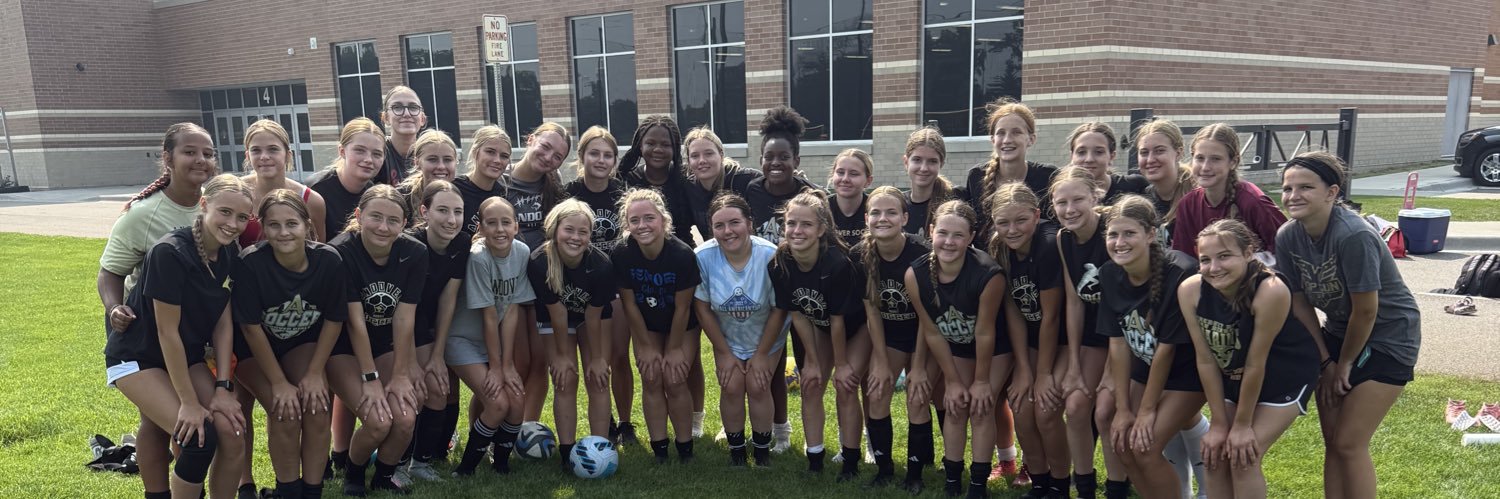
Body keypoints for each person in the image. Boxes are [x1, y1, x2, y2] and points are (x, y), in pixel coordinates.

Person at [1275, 151, 1420, 499]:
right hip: (1340, 335)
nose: (1294, 195)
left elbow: (1367, 311)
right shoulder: (1287, 236)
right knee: (1333, 442)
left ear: (1332, 192)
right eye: (1287, 188)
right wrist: (1325, 361)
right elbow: (1298, 302)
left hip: (1389, 336)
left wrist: (1344, 365)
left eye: (1305, 187)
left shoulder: (1353, 235)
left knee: (1349, 442)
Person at [104, 173, 250, 499]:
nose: (233, 223)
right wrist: (189, 403)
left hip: (188, 356)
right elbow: (166, 332)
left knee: (232, 432)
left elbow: (223, 324)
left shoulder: (229, 253)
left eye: (242, 217)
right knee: (198, 439)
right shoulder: (169, 252)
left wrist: (224, 388)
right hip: (137, 357)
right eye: (225, 212)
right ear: (204, 205)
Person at [98, 122, 219, 499]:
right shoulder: (142, 214)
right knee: (183, 427)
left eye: (208, 153)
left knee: (158, 422)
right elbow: (109, 272)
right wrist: (114, 306)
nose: (200, 159)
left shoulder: (216, 208)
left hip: (187, 339)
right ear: (167, 158)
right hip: (141, 337)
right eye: (189, 152)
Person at [1180, 219, 1319, 498]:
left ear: (1248, 253)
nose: (1214, 267)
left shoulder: (1270, 290)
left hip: (1284, 376)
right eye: (1205, 259)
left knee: (1244, 458)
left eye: (1224, 256)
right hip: (1235, 375)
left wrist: (1241, 425)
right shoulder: (1190, 290)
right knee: (1216, 453)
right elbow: (1206, 360)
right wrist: (1219, 423)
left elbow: (1258, 362)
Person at [906, 200, 1027, 498]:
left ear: (971, 237)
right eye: (943, 233)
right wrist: (952, 380)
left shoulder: (988, 274)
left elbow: (985, 331)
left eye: (958, 235)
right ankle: (952, 480)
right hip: (955, 345)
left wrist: (982, 381)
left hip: (994, 349)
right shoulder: (915, 274)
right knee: (956, 406)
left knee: (981, 407)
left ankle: (977, 484)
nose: (949, 241)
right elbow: (932, 330)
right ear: (931, 231)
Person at [232, 189, 345, 499]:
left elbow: (334, 321)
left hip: (301, 343)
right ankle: (288, 491)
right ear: (263, 228)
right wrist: (279, 382)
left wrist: (313, 373)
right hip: (253, 350)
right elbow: (251, 329)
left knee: (317, 403)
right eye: (274, 225)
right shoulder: (251, 263)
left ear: (307, 225)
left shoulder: (328, 260)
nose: (283, 233)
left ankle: (312, 491)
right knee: (285, 409)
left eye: (291, 223)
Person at [1096, 195, 1205, 499]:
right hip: (1144, 370)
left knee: (1144, 447)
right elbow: (1117, 345)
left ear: (1150, 234)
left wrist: (1144, 412)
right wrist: (1121, 409)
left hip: (1188, 375)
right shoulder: (1108, 273)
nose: (1119, 242)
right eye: (1113, 234)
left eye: (1129, 233)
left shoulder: (1180, 272)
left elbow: (1167, 349)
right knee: (1123, 444)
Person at [326, 185, 428, 496]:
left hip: (383, 343)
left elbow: (404, 316)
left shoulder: (414, 252)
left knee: (405, 418)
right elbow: (354, 321)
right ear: (359, 216)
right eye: (375, 217)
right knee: (378, 421)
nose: (383, 227)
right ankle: (354, 475)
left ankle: (383, 476)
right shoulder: (339, 252)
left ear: (404, 224)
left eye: (393, 220)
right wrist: (371, 379)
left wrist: (400, 374)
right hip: (340, 347)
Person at [768, 191, 869, 475]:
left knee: (845, 386)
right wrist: (811, 361)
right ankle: (815, 458)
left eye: (806, 225)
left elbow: (840, 320)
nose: (797, 231)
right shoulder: (782, 262)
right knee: (810, 384)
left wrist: (843, 365)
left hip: (857, 328)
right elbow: (798, 313)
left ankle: (850, 459)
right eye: (791, 223)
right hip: (822, 327)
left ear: (822, 229)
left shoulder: (837, 263)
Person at [988, 182, 1072, 498]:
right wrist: (1024, 369)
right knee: (1021, 407)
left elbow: (1051, 317)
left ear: (1036, 216)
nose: (1012, 229)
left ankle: (1061, 486)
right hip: (1033, 340)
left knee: (1047, 411)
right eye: (1003, 222)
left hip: (1064, 339)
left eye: (1020, 220)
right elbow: (1014, 311)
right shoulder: (999, 247)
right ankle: (1040, 483)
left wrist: (1044, 374)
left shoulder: (1048, 246)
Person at [1050, 166, 1130, 498]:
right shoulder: (1063, 238)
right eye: (1061, 202)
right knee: (1076, 407)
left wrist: (1112, 372)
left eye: (1078, 200)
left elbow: (1125, 308)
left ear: (1096, 195)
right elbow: (1074, 302)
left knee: (1105, 411)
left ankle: (1117, 487)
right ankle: (1083, 487)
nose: (1070, 210)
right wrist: (1072, 365)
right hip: (1092, 338)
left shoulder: (1114, 233)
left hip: (1126, 337)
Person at [694, 193, 787, 468]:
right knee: (732, 385)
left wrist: (761, 355)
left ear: (749, 223)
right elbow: (701, 307)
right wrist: (722, 352)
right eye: (719, 225)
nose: (727, 231)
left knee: (758, 385)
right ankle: (736, 453)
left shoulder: (770, 255)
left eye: (734, 222)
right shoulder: (703, 257)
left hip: (765, 334)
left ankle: (761, 453)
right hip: (728, 336)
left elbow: (778, 310)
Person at [851, 186, 933, 490]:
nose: (882, 218)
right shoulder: (860, 255)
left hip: (925, 337)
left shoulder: (922, 255)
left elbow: (927, 318)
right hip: (891, 336)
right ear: (867, 218)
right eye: (875, 212)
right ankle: (885, 470)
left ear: (905, 218)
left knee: (917, 396)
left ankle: (915, 475)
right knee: (877, 391)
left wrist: (920, 366)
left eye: (891, 212)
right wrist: (883, 363)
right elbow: (872, 312)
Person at [612, 189, 703, 462]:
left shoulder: (682, 254)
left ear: (664, 220)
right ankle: (660, 448)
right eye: (635, 220)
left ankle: (685, 447)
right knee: (651, 377)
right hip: (648, 322)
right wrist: (644, 345)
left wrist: (674, 348)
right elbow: (629, 304)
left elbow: (683, 307)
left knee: (674, 378)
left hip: (682, 324)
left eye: (649, 218)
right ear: (627, 224)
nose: (642, 226)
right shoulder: (623, 253)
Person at [746, 106, 817, 452]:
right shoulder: (750, 192)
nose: (776, 163)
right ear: (760, 159)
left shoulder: (812, 196)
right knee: (772, 366)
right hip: (764, 295)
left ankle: (812, 437)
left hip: (803, 295)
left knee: (807, 364)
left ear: (796, 159)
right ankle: (781, 432)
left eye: (783, 157)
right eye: (769, 156)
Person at [563, 126, 639, 445]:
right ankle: (603, 421)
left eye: (608, 155)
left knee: (619, 356)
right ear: (581, 157)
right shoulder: (569, 193)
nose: (601, 160)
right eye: (594, 153)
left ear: (614, 160)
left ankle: (624, 423)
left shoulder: (624, 192)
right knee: (594, 359)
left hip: (617, 284)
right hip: (580, 286)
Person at [447, 196, 533, 477]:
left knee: (517, 400)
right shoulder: (478, 257)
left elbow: (510, 312)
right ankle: (467, 468)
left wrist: (507, 366)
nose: (500, 229)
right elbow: (487, 315)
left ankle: (501, 463)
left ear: (516, 226)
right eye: (491, 223)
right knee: (497, 403)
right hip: (461, 340)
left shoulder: (521, 252)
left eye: (506, 222)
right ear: (481, 229)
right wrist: (496, 368)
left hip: (490, 342)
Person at [527, 199, 616, 470]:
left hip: (593, 319)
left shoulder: (601, 264)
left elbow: (592, 315)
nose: (575, 237)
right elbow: (558, 314)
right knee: (564, 379)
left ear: (591, 235)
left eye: (583, 232)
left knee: (598, 378)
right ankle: (567, 452)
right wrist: (564, 356)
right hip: (556, 319)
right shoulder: (539, 260)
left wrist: (599, 359)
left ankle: (599, 449)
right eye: (569, 230)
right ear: (555, 229)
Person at [399, 180, 468, 481]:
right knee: (415, 390)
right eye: (442, 210)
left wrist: (437, 355)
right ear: (424, 211)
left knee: (439, 387)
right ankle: (396, 463)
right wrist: (411, 362)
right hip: (399, 324)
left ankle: (421, 462)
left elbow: (448, 298)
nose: (451, 220)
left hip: (430, 324)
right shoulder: (409, 245)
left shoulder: (462, 243)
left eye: (458, 211)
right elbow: (404, 310)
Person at [505, 122, 571, 421]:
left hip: (543, 285)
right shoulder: (500, 182)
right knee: (515, 363)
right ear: (530, 139)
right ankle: (498, 426)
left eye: (557, 156)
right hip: (508, 288)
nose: (548, 157)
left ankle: (526, 428)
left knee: (540, 363)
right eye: (545, 147)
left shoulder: (554, 191)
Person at [1171, 124, 1286, 257]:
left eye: (1216, 159)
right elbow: (1183, 258)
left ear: (1233, 162)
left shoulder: (1252, 201)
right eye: (1200, 158)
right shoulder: (1188, 204)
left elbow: (1286, 248)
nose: (1205, 167)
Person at [966, 98, 1059, 235]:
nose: (1007, 140)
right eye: (1001, 133)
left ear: (1031, 139)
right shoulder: (976, 177)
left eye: (1016, 132)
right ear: (993, 140)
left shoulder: (1048, 177)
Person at [241, 119, 328, 245]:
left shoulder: (311, 200)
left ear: (287, 155)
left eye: (273, 149)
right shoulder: (235, 192)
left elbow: (320, 251)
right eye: (256, 150)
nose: (264, 156)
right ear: (248, 156)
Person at [616, 115, 696, 244]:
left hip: (682, 254)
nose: (658, 149)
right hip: (639, 254)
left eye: (665, 144)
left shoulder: (686, 179)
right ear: (640, 147)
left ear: (675, 149)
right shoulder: (628, 181)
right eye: (650, 143)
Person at [682, 126, 762, 239]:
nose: (702, 161)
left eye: (709, 154)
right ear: (689, 161)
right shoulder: (689, 189)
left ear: (721, 155)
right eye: (695, 156)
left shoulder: (748, 180)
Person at [308, 118, 385, 235]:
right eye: (359, 150)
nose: (368, 160)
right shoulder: (316, 190)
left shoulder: (372, 192)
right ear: (342, 151)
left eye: (377, 154)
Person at [1132, 119, 1193, 249]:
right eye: (1144, 153)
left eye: (1159, 151)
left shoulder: (1197, 196)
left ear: (1178, 153)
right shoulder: (1144, 198)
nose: (1150, 159)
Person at [902, 127, 965, 240]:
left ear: (941, 164)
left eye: (932, 161)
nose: (924, 168)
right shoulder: (898, 204)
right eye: (917, 160)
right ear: (906, 162)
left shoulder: (957, 198)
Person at [1067, 122, 1147, 205]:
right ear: (1071, 156)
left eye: (1098, 152)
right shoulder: (1061, 191)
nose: (1089, 159)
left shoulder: (1134, 187)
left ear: (1112, 156)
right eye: (1081, 152)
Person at [455, 125, 512, 237]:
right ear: (476, 152)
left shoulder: (503, 193)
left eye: (504, 156)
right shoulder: (456, 189)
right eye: (490, 152)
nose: (497, 160)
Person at [396, 129, 460, 220]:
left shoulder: (464, 193)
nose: (441, 166)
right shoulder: (402, 197)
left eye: (447, 160)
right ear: (417, 163)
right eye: (432, 159)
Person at [374, 86, 428, 186]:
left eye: (413, 107)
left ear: (422, 119)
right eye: (397, 108)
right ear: (385, 117)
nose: (407, 114)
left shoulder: (431, 154)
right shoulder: (375, 153)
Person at [828, 148, 873, 246]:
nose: (845, 179)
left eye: (854, 174)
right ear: (833, 175)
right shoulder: (820, 208)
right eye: (840, 172)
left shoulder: (876, 208)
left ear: (868, 181)